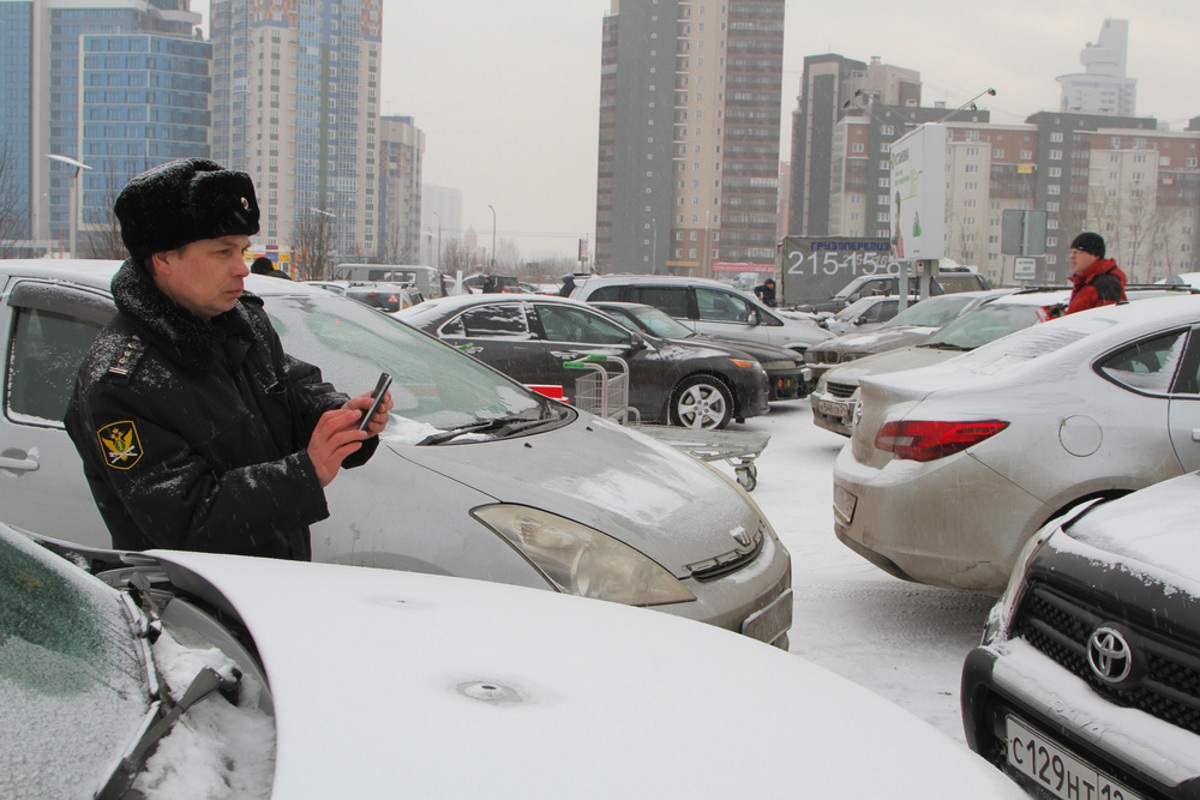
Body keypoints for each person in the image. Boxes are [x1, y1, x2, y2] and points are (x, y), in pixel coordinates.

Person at [63, 157, 393, 561]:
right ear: (163, 258)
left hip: (271, 587)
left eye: (243, 250)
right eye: (222, 252)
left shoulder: (239, 324)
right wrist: (305, 473)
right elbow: (184, 524)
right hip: (197, 609)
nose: (242, 269)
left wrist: (343, 418)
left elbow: (293, 390)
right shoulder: (121, 383)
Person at [1063, 231, 1126, 315]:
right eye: (1071, 252)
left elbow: (1107, 321)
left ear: (1095, 256)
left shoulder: (1105, 284)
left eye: (1077, 252)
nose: (1072, 256)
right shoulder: (1086, 282)